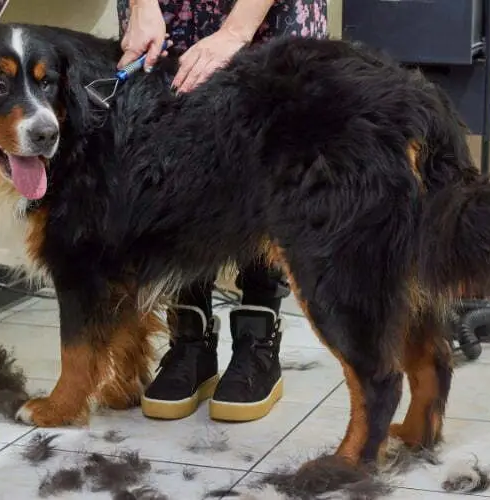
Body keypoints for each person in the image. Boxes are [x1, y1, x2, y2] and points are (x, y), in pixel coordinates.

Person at [117, 0, 329, 422]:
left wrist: (235, 32)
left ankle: (257, 343)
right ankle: (189, 342)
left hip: (262, 16)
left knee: (260, 165)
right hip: (165, 14)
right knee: (166, 163)